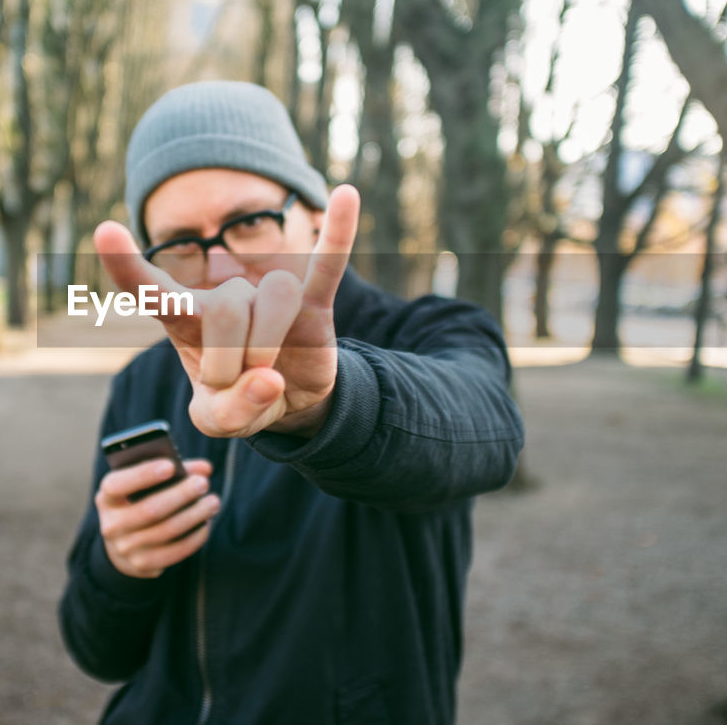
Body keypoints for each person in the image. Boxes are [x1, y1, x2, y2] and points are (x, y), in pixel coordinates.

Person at [58, 80, 524, 724]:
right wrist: (120, 566)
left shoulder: (429, 333)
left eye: (248, 222)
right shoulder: (142, 382)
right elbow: (97, 651)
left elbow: (489, 430)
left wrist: (328, 404)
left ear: (310, 210)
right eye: (180, 244)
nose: (218, 268)